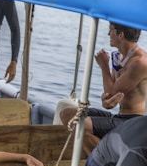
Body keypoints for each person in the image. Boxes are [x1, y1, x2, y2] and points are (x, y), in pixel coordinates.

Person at [60, 22, 147, 155]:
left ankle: (104, 164)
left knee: (79, 124)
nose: (108, 34)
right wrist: (106, 99)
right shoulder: (119, 57)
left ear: (121, 35)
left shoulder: (140, 63)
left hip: (132, 122)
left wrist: (104, 66)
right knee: (67, 114)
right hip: (118, 116)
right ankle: (103, 158)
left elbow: (112, 93)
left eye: (111, 30)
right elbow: (109, 97)